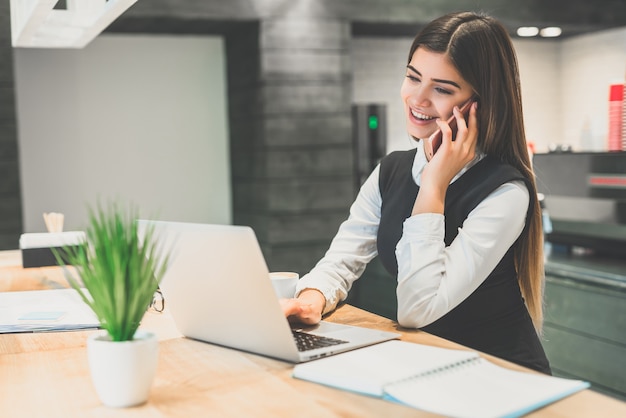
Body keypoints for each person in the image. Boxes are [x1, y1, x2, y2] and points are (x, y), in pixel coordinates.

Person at [281, 11, 551, 374]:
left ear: (479, 103)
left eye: (442, 88)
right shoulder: (391, 170)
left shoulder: (505, 191)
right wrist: (311, 299)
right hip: (431, 366)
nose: (417, 98)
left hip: (500, 375)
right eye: (413, 77)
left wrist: (434, 184)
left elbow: (416, 310)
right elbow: (341, 261)